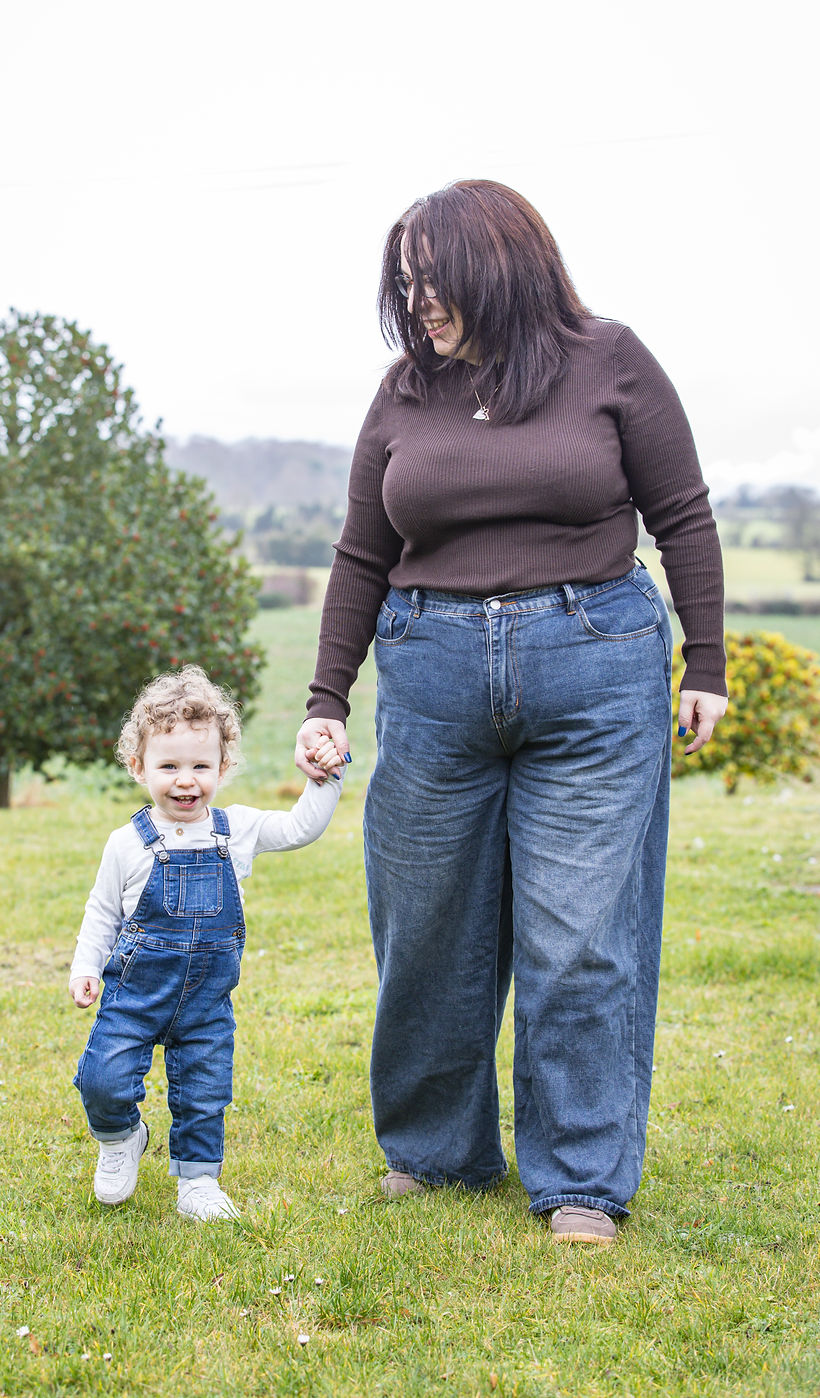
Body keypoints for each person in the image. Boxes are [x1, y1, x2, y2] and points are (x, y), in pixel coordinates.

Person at [295, 179, 727, 1246]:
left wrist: (704, 663)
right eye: (405, 284)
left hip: (593, 665)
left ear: (500, 267)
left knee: (580, 935)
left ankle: (580, 1176)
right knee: (425, 929)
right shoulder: (403, 389)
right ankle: (435, 1154)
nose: (418, 302)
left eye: (433, 281)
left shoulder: (608, 359)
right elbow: (361, 551)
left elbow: (679, 516)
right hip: (432, 676)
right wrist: (325, 696)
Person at [71, 664, 345, 1220]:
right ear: (138, 767)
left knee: (204, 1094)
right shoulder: (126, 843)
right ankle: (121, 1135)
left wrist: (325, 781)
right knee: (103, 1078)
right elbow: (101, 911)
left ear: (223, 766)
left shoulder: (235, 829)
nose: (185, 780)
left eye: (200, 765)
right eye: (168, 766)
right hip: (135, 997)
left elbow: (298, 830)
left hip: (205, 1003)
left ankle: (198, 1182)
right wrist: (86, 966)